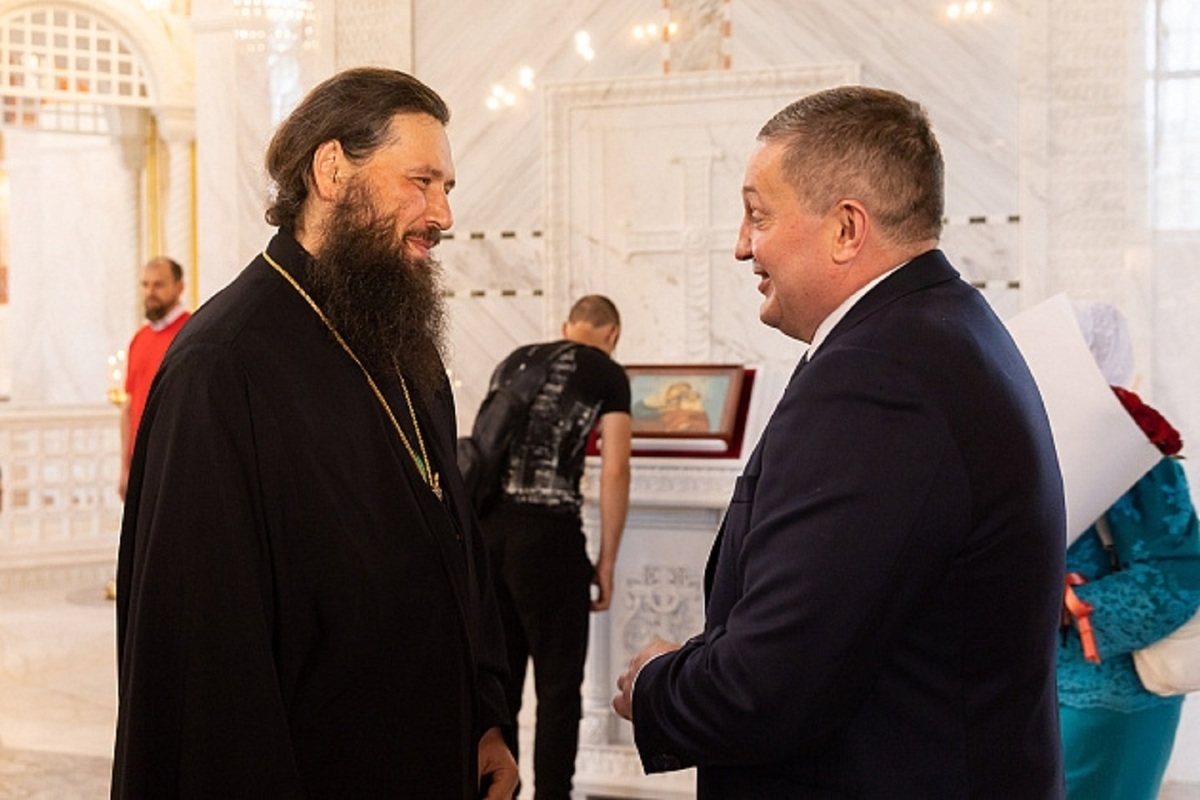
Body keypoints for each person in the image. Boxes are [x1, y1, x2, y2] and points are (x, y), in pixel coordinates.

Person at [613, 85, 1067, 797]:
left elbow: (772, 683)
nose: (742, 246)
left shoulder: (878, 375)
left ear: (847, 229)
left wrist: (654, 686)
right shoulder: (949, 325)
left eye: (759, 215)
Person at [112, 67, 517, 799]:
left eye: (447, 187)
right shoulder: (222, 366)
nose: (442, 214)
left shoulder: (401, 342)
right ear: (331, 170)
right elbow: (203, 659)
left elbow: (454, 542)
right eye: (421, 182)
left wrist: (484, 718)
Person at [479, 294, 632, 799]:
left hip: (490, 534)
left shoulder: (516, 359)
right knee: (558, 689)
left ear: (568, 327)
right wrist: (606, 562)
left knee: (498, 689)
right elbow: (615, 469)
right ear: (612, 334)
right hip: (550, 540)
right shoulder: (607, 373)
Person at [1058, 301, 1200, 800]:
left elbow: (1178, 574)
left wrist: (1072, 605)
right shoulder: (1021, 441)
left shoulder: (1135, 450)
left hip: (1112, 697)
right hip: (1025, 693)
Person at [118, 256, 189, 501]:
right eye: (145, 285)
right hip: (143, 462)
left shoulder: (191, 333)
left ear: (179, 287)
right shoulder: (139, 339)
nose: (150, 292)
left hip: (176, 460)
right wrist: (125, 467)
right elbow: (129, 407)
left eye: (158, 285)